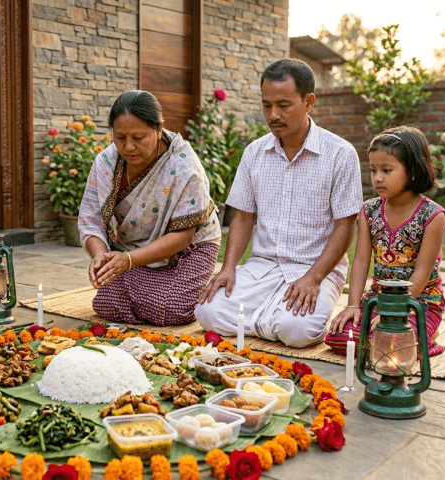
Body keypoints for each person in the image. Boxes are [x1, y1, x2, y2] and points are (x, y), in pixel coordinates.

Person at [194, 59, 362, 348]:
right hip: (262, 267)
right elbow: (243, 217)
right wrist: (228, 267)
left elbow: (345, 227)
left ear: (308, 102)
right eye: (266, 105)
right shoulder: (253, 153)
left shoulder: (341, 154)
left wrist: (314, 278)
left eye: (284, 105)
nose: (273, 115)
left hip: (315, 268)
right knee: (206, 311)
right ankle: (270, 320)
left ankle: (267, 322)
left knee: (298, 330)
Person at [78, 90, 221, 326]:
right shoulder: (106, 162)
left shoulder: (185, 167)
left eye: (138, 137)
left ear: (158, 129)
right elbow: (90, 219)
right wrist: (101, 257)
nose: (129, 147)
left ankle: (134, 285)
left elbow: (184, 237)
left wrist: (129, 262)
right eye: (120, 137)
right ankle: (137, 285)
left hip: (189, 249)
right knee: (105, 302)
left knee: (173, 308)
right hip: (129, 251)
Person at [326, 126, 445, 356]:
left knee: (397, 345)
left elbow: (421, 272)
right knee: (339, 337)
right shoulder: (369, 211)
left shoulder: (433, 216)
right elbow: (361, 261)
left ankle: (426, 336)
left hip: (418, 302)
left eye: (387, 170)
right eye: (373, 170)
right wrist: (352, 306)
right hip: (377, 300)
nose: (377, 178)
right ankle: (391, 341)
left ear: (412, 171)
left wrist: (396, 311)